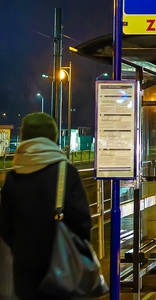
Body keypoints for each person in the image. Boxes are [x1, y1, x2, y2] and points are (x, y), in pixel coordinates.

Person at [0, 113, 92, 300]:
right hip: (62, 267)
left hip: (24, 270)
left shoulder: (13, 177)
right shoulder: (67, 173)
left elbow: (5, 226)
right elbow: (83, 221)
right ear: (53, 136)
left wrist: (21, 246)